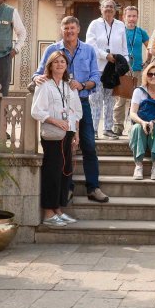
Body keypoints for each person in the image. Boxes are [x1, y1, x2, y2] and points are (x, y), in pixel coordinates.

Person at [33, 16, 108, 204]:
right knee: (64, 148)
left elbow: (95, 79)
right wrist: (36, 79)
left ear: (78, 29)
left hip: (81, 103)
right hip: (58, 107)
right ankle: (67, 188)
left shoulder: (89, 50)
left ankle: (93, 187)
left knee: (89, 146)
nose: (69, 32)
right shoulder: (52, 50)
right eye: (66, 28)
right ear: (61, 30)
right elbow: (39, 72)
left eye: (72, 28)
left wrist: (81, 85)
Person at [31, 50, 81, 227]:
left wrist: (75, 134)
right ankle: (48, 213)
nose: (60, 64)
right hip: (53, 134)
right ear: (50, 65)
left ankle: (59, 209)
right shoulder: (44, 84)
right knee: (52, 172)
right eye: (56, 62)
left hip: (67, 133)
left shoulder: (68, 86)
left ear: (66, 66)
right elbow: (36, 111)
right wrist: (56, 121)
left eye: (63, 62)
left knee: (65, 172)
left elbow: (76, 111)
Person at [86, 0, 128, 138]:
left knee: (110, 100)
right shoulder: (94, 24)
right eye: (106, 6)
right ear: (101, 9)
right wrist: (106, 55)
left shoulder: (120, 25)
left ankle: (108, 129)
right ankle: (93, 130)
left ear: (115, 9)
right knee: (95, 99)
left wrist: (124, 63)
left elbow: (124, 48)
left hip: (113, 69)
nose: (109, 9)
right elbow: (91, 45)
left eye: (111, 7)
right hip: (97, 67)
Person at [128, 61, 155, 181]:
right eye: (150, 74)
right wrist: (143, 123)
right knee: (137, 127)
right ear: (145, 76)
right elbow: (132, 113)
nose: (153, 77)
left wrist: (153, 122)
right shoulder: (138, 91)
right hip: (140, 123)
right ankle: (138, 165)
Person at [113, 5, 151, 137]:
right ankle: (117, 127)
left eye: (134, 16)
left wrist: (147, 62)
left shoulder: (141, 32)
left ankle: (134, 126)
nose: (132, 18)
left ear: (137, 17)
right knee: (121, 100)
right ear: (124, 17)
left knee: (136, 100)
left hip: (137, 71)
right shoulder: (119, 31)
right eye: (129, 16)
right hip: (122, 71)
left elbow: (150, 47)